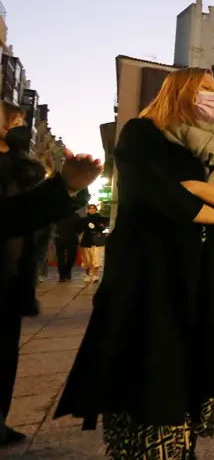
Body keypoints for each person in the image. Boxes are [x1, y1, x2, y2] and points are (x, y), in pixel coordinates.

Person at [55, 67, 214, 459]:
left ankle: (184, 445)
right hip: (155, 279)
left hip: (212, 279)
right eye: (205, 88)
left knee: (199, 374)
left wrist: (202, 192)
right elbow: (156, 194)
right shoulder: (143, 133)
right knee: (155, 376)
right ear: (181, 91)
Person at [1, 102, 89, 449]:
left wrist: (68, 186)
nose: (20, 123)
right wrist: (63, 188)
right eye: (14, 119)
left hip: (13, 270)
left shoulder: (23, 166)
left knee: (7, 352)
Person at [79, 204, 108, 283]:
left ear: (96, 209)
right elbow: (81, 228)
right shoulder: (84, 219)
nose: (92, 210)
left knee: (97, 258)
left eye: (93, 208)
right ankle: (87, 274)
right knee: (86, 259)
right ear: (88, 210)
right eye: (90, 208)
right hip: (86, 241)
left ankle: (95, 275)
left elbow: (103, 227)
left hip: (97, 240)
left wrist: (95, 227)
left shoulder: (101, 218)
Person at [54, 211, 83, 282]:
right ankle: (62, 276)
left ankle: (67, 269)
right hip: (59, 238)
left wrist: (77, 232)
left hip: (72, 238)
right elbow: (53, 225)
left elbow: (80, 226)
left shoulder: (75, 215)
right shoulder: (57, 215)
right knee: (60, 258)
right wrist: (55, 233)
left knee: (72, 257)